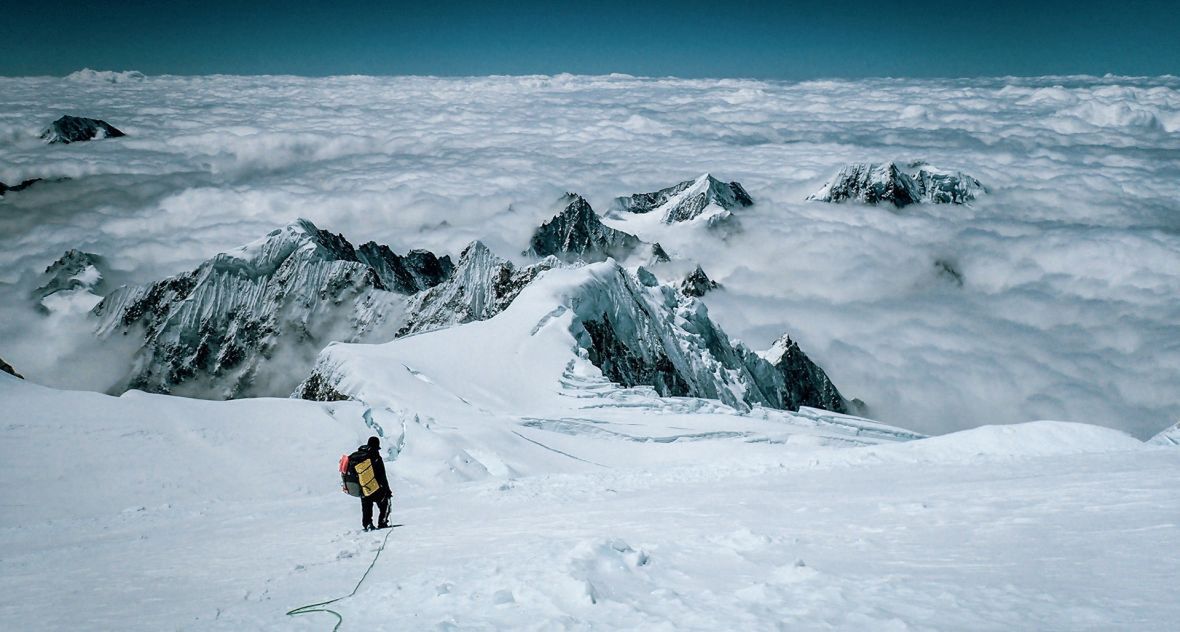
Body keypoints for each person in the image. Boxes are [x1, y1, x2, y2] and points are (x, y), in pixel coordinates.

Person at [354, 436, 391, 531]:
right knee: (385, 503)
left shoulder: (359, 456)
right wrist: (387, 490)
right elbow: (382, 475)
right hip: (375, 488)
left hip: (362, 487)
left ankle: (367, 524)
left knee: (366, 507)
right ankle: (382, 522)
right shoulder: (376, 456)